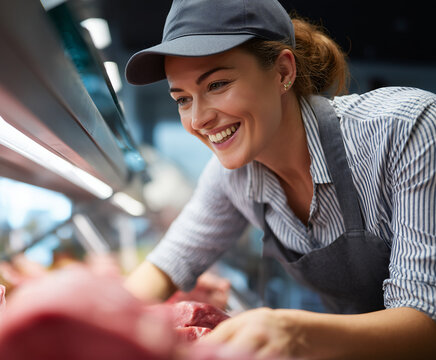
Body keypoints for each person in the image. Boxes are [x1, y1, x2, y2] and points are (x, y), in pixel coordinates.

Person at [123, 0, 436, 358]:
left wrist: (292, 332)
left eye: (217, 84)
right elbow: (166, 265)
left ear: (283, 71)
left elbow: (426, 325)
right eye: (182, 99)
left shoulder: (406, 129)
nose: (198, 119)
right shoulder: (232, 176)